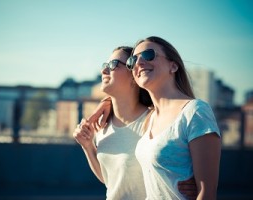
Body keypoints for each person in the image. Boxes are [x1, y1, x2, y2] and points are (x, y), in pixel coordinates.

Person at [91, 36, 221, 200]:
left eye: (148, 55)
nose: (139, 62)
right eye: (133, 60)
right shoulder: (150, 119)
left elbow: (207, 193)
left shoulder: (195, 111)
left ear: (173, 66)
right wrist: (106, 103)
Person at [73, 46, 198, 200]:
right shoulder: (102, 124)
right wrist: (88, 146)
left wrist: (194, 182)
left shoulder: (154, 120)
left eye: (113, 65)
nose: (104, 71)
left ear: (134, 74)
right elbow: (112, 180)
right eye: (105, 66)